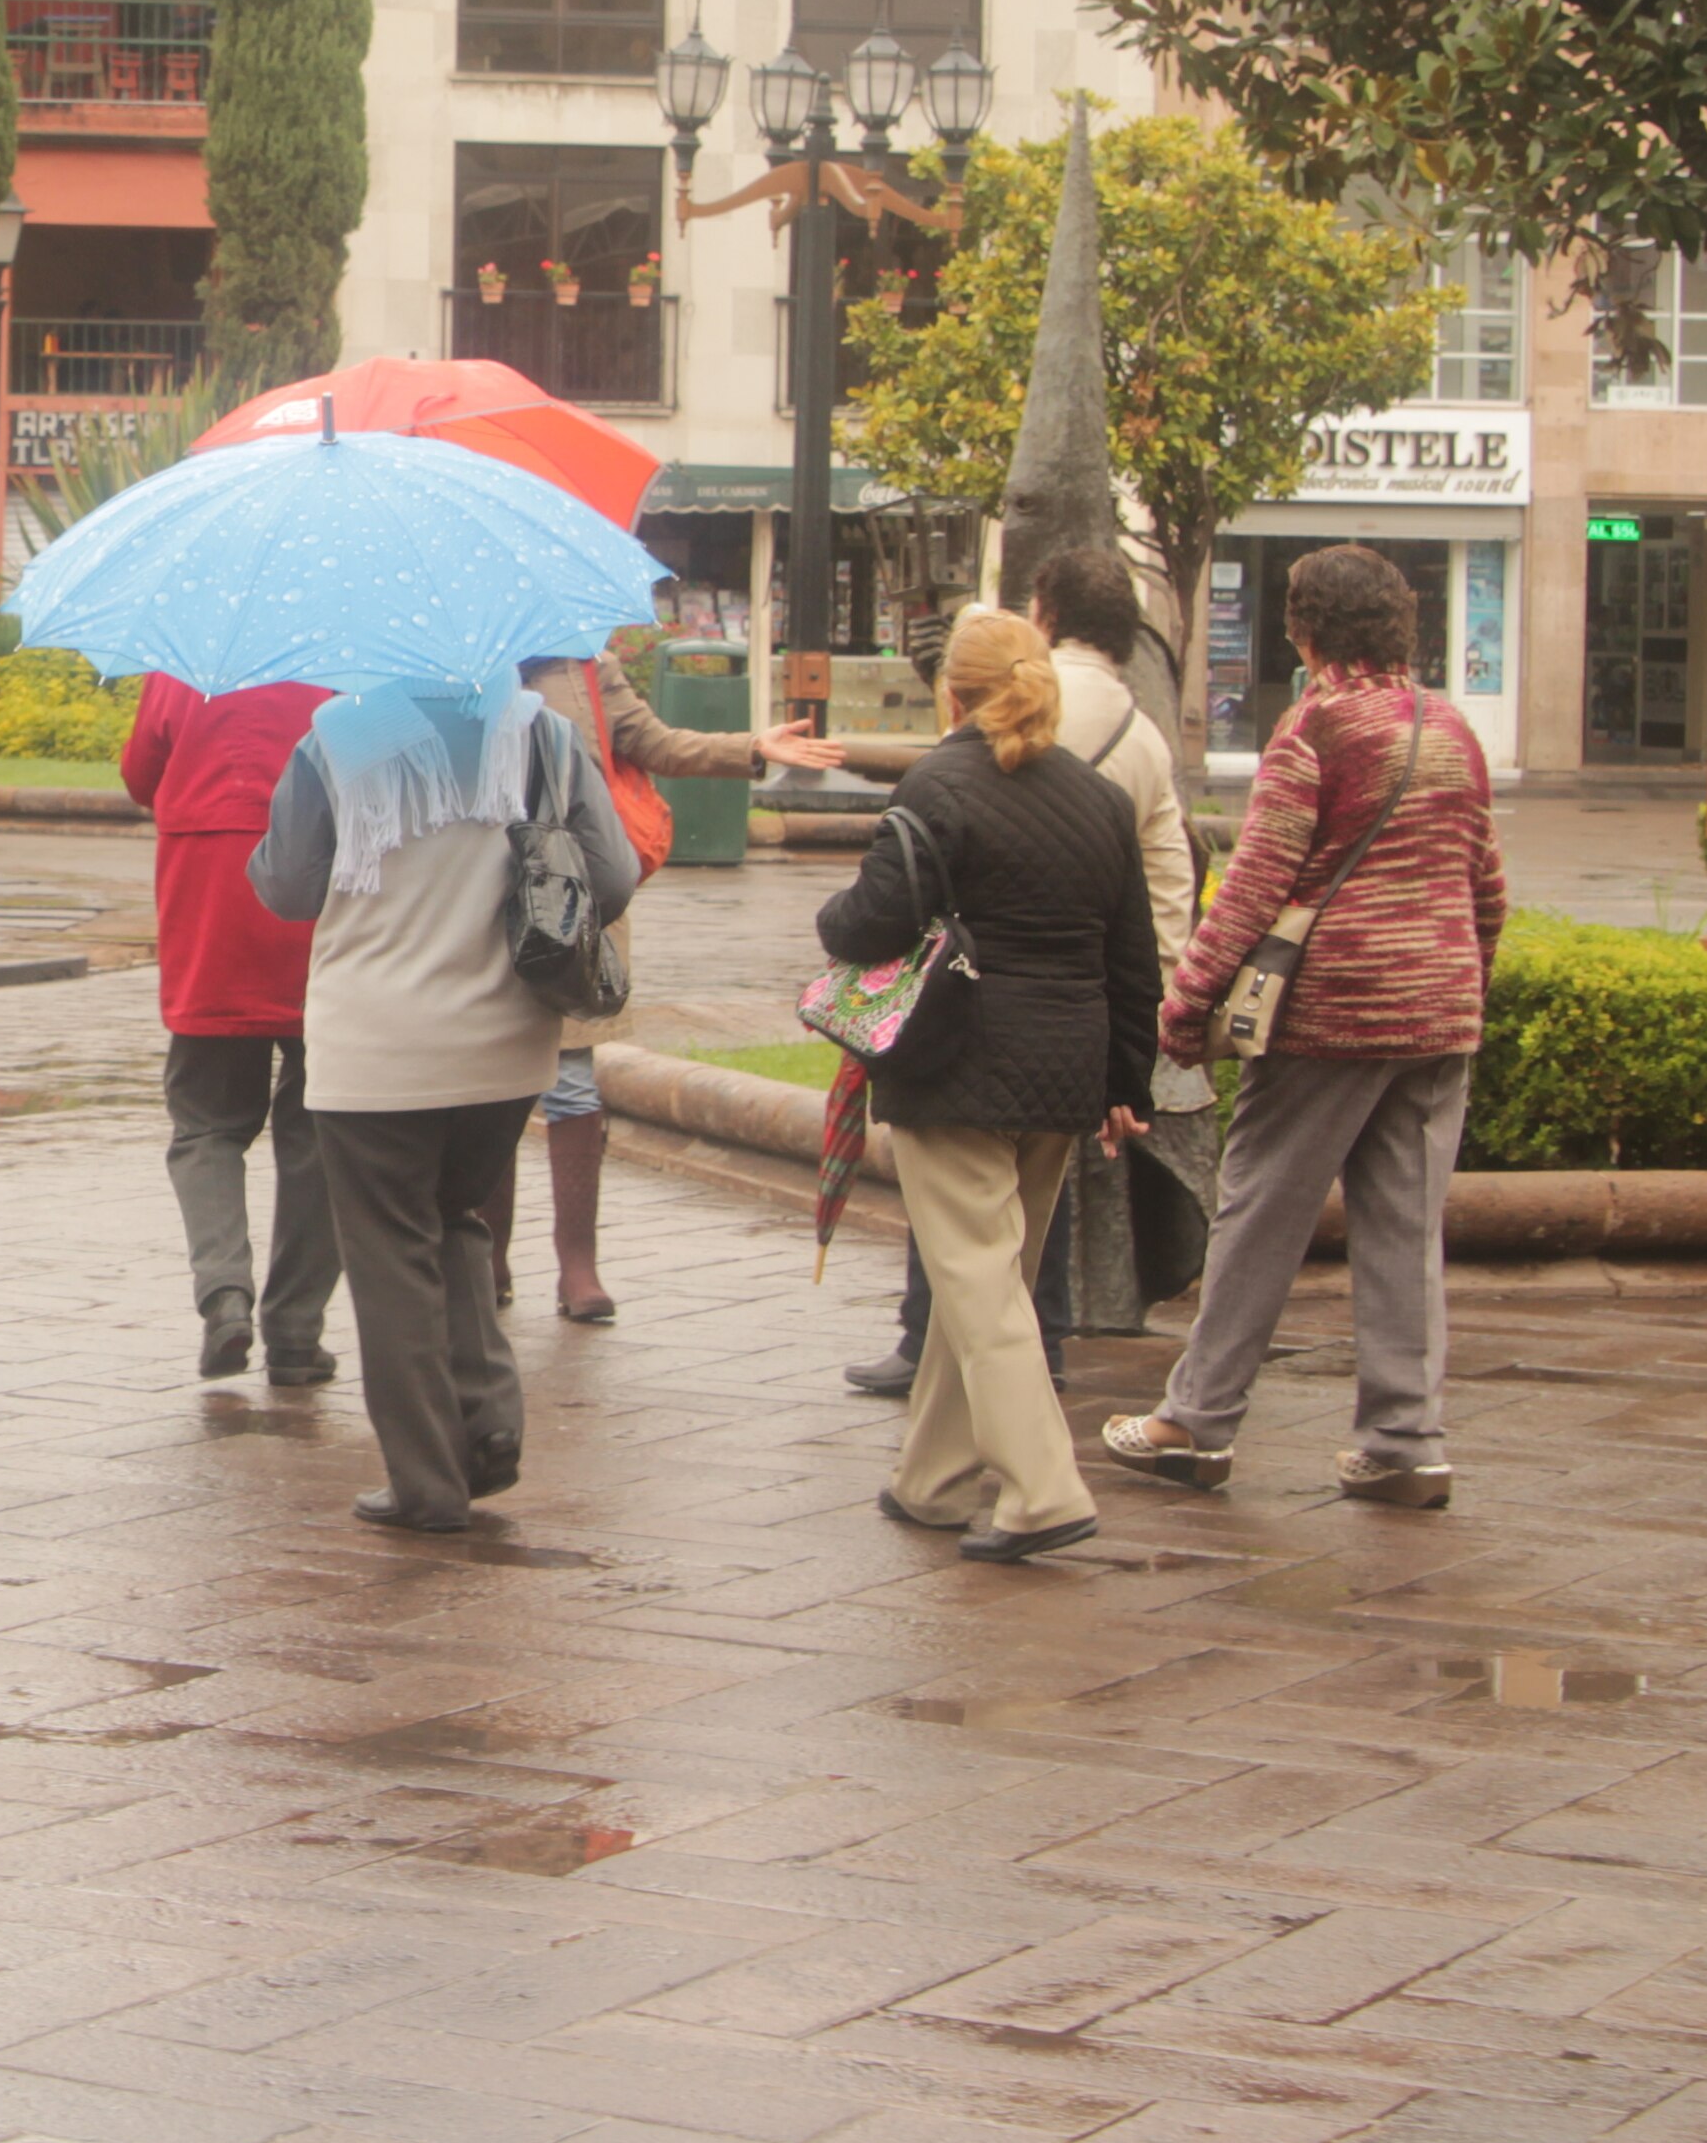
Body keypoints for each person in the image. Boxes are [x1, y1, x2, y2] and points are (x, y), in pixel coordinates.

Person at [1108, 543, 1506, 1510]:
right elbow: (1485, 883)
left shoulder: (1318, 727)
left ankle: (1194, 1423)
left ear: (1306, 630)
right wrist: (1460, 981)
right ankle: (1406, 1441)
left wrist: (1187, 1001)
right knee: (1408, 1228)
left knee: (1259, 1212)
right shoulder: (1450, 726)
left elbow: (1255, 882)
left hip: (1332, 1011)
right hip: (1437, 1012)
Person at [248, 673, 633, 1535]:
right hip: (505, 1042)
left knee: (390, 1252)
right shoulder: (542, 735)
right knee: (457, 1213)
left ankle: (426, 1482)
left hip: (374, 1044)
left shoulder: (336, 739)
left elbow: (286, 888)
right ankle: (485, 1416)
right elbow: (614, 873)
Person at [815, 611, 1158, 1563]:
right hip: (1066, 1071)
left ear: (951, 693)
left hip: (957, 1060)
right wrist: (1126, 1081)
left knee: (979, 1285)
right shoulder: (1096, 797)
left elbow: (872, 921)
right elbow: (1134, 959)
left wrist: (830, 913)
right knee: (990, 1281)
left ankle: (1044, 1491)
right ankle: (930, 1482)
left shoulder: (940, 784)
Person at [845, 545, 1195, 1392]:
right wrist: (1133, 1059)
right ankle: (956, 1443)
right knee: (1026, 1218)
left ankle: (1033, 1469)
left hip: (967, 1024)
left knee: (971, 1250)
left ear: (1044, 611)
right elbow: (1163, 901)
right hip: (1074, 1023)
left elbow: (901, 892)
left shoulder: (983, 749)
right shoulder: (1142, 738)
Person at [513, 630, 846, 1321]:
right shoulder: (456, 663)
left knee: (572, 1079)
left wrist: (752, 746)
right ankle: (484, 1257)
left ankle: (578, 1264)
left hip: (571, 898)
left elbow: (655, 742)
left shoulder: (584, 664)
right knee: (488, 1088)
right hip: (478, 897)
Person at [120, 673, 339, 1385]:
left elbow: (140, 772)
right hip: (317, 899)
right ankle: (297, 1331)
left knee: (206, 1121)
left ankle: (225, 1294)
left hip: (210, 899)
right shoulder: (340, 656)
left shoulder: (186, 660)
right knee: (322, 1128)